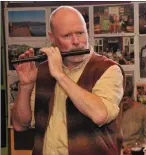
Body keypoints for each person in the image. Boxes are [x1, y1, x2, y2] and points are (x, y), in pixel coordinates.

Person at [12, 6, 125, 155]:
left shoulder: (108, 69)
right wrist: (25, 85)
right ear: (52, 38)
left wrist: (60, 75)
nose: (76, 41)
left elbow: (100, 115)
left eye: (80, 33)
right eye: (67, 36)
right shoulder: (44, 70)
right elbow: (20, 125)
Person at [120, 79, 146, 155]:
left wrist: (134, 148)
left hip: (135, 151)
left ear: (131, 96)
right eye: (119, 100)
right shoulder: (113, 110)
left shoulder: (143, 110)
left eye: (124, 100)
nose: (121, 103)